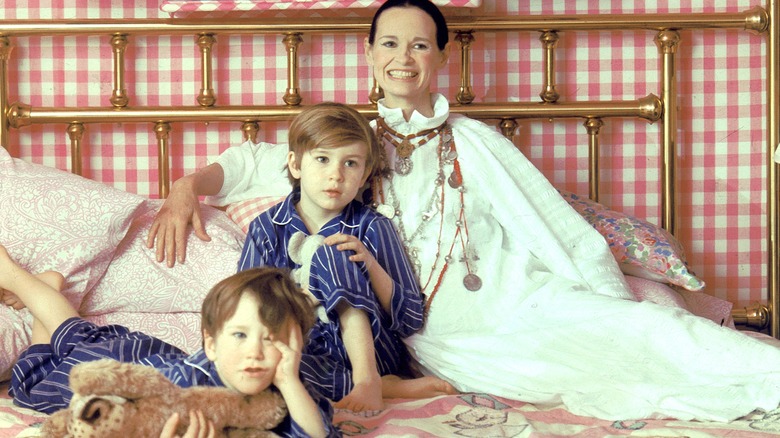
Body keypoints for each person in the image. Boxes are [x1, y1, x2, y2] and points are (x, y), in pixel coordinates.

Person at [146, 0, 780, 423]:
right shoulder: (344, 145)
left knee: (650, 332)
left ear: (440, 58)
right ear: (369, 55)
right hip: (436, 326)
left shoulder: (475, 140)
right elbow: (248, 162)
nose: (403, 57)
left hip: (516, 294)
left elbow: (554, 226)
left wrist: (608, 295)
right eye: (389, 43)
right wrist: (184, 185)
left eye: (420, 46)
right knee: (576, 367)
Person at [238, 102, 456, 412]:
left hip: (377, 355)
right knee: (264, 369)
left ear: (365, 172)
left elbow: (410, 318)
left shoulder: (373, 227)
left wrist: (368, 264)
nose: (336, 175)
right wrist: (303, 299)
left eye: (350, 163)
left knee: (333, 253)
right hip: (305, 353)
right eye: (323, 159)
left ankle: (369, 379)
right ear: (296, 165)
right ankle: (386, 386)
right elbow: (246, 309)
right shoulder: (266, 228)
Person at [0, 246, 338, 437]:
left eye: (273, 340)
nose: (255, 351)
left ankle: (40, 296)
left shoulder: (292, 389)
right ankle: (14, 275)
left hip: (149, 352)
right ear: (212, 344)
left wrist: (290, 381)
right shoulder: (186, 382)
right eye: (240, 334)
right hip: (118, 368)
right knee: (35, 373)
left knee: (66, 334)